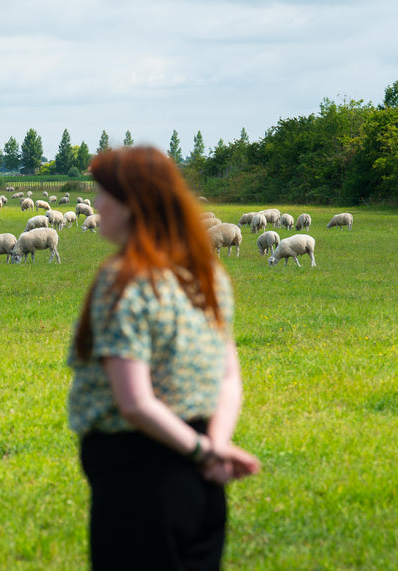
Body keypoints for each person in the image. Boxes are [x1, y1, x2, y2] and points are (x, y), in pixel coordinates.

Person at [67, 146, 260, 570]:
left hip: (138, 476)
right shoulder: (207, 275)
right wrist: (216, 447)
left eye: (104, 196)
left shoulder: (124, 282)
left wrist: (202, 453)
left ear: (133, 204)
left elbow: (134, 402)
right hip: (202, 476)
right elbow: (229, 379)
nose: (96, 206)